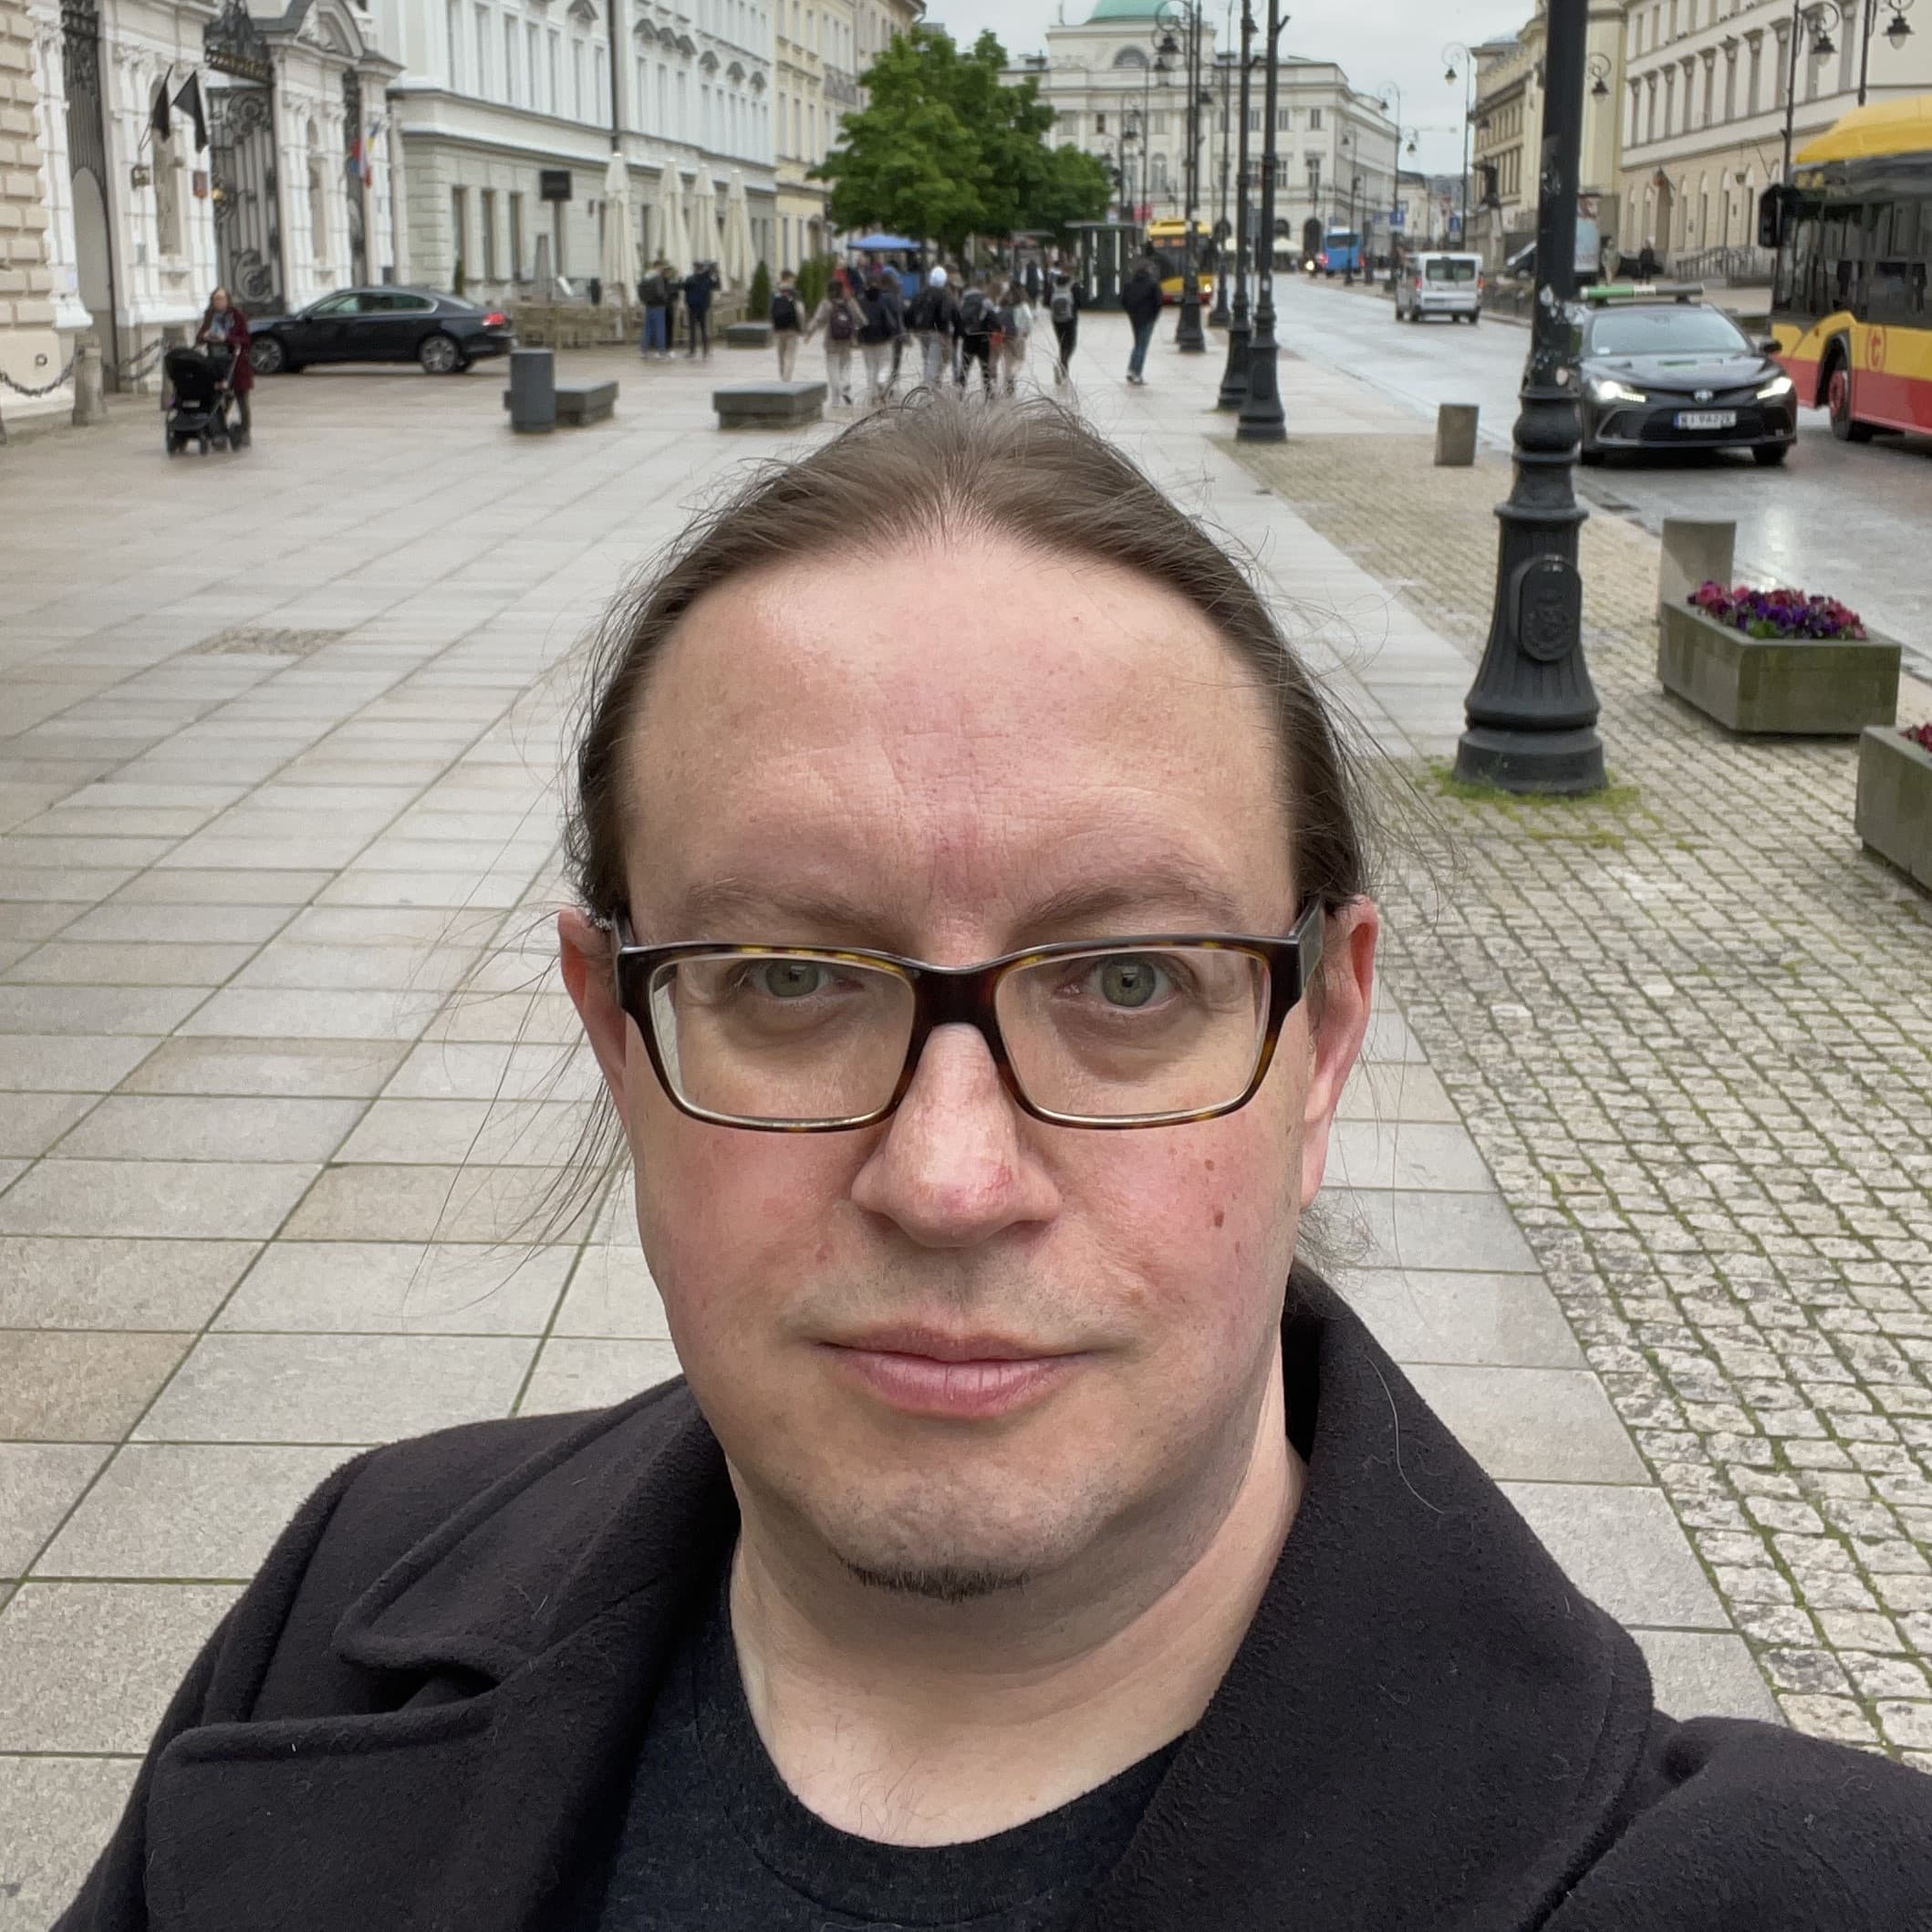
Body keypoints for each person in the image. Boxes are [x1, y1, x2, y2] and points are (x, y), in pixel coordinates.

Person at [55, 400, 1932, 1932]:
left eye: (1128, 980)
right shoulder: (348, 1597)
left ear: (1324, 1037)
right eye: (787, 977)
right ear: (616, 1033)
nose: (949, 1180)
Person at [194, 286, 252, 441]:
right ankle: (218, 428)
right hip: (216, 363)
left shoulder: (237, 316)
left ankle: (245, 430)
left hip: (236, 364)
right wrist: (204, 336)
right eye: (215, 299)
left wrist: (226, 338)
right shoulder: (210, 315)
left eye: (221, 299)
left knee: (241, 398)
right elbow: (199, 338)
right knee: (216, 397)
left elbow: (246, 340)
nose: (218, 302)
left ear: (227, 300)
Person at [806, 269, 864, 407]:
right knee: (846, 365)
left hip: (831, 340)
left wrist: (809, 333)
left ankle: (836, 398)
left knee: (832, 368)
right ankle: (845, 385)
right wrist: (861, 328)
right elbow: (860, 318)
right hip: (847, 340)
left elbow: (818, 319)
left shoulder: (826, 303)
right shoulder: (849, 302)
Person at [907, 265, 955, 390]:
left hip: (921, 331)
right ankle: (929, 387)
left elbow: (910, 311)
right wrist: (945, 332)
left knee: (927, 358)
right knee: (935, 359)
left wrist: (912, 328)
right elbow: (945, 314)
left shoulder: (921, 293)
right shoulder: (944, 294)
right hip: (937, 331)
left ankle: (930, 383)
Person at [856, 272, 900, 407]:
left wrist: (858, 337)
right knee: (884, 364)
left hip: (866, 340)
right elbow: (890, 319)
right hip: (882, 339)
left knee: (870, 368)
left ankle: (872, 396)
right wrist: (893, 334)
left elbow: (857, 321)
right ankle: (881, 381)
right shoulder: (883, 300)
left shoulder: (861, 301)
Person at [1122, 254, 1162, 387]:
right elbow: (1158, 302)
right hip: (1147, 318)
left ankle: (1130, 370)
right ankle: (1137, 374)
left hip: (1134, 318)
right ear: (1147, 269)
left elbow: (1124, 301)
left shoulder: (1130, 284)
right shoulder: (1152, 284)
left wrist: (1131, 312)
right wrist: (1153, 316)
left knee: (1137, 344)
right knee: (1142, 346)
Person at [955, 273, 997, 397]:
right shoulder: (986, 301)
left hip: (968, 339)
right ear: (983, 286)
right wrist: (993, 331)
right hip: (983, 339)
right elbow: (994, 320)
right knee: (985, 368)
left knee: (965, 367)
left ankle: (959, 393)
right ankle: (989, 395)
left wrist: (960, 335)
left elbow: (957, 320)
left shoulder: (963, 300)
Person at [996, 276, 1032, 397]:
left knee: (1008, 360)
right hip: (1018, 334)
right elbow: (1028, 321)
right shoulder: (1022, 304)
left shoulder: (1003, 302)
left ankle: (1008, 383)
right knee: (1020, 359)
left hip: (1005, 334)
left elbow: (996, 315)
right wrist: (1026, 333)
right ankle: (1012, 376)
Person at [1046, 268, 1082, 386]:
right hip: (1071, 320)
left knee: (1062, 344)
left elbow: (1046, 302)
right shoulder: (1074, 286)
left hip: (1056, 320)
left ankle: (1063, 368)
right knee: (1071, 344)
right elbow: (1081, 302)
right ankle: (1062, 364)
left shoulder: (1053, 286)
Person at [769, 268, 805, 380]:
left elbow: (770, 310)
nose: (794, 281)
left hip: (778, 329)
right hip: (792, 329)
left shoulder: (775, 293)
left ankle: (782, 378)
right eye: (793, 279)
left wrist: (773, 326)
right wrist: (802, 327)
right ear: (789, 278)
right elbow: (800, 312)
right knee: (789, 356)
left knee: (781, 356)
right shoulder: (795, 293)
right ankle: (786, 381)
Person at [682, 261, 719, 358]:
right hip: (703, 307)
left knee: (692, 330)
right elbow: (716, 285)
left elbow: (684, 287)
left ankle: (692, 351)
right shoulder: (707, 279)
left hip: (692, 307)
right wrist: (715, 273)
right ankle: (705, 351)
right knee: (703, 329)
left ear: (695, 268)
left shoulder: (690, 279)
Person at [638, 262, 672, 359]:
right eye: (661, 267)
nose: (662, 269)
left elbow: (639, 290)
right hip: (659, 306)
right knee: (660, 329)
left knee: (647, 330)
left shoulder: (645, 277)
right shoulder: (658, 278)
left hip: (648, 306)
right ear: (657, 267)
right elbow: (660, 293)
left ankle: (644, 352)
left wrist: (644, 301)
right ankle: (661, 352)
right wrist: (666, 299)